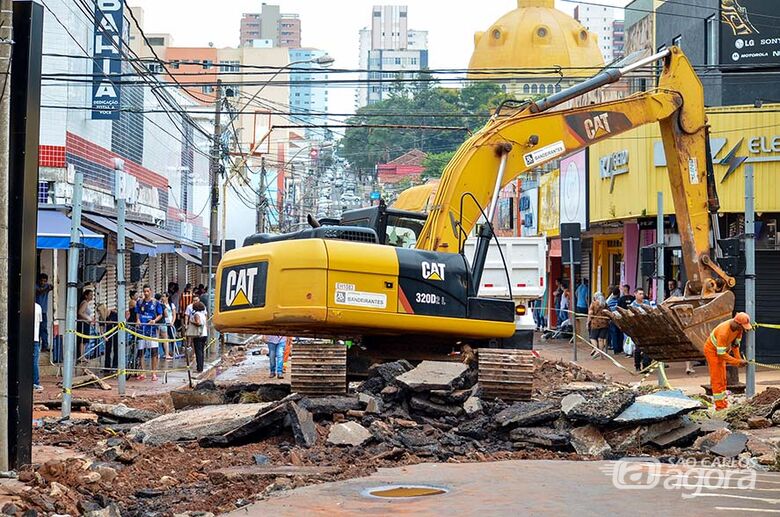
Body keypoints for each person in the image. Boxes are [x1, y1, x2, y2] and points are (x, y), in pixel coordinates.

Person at [705, 313, 750, 410]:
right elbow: (720, 353)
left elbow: (735, 346)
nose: (743, 329)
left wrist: (738, 360)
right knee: (717, 378)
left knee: (723, 377)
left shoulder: (738, 329)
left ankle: (723, 403)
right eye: (742, 327)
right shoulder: (723, 332)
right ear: (737, 323)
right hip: (712, 351)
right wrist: (737, 362)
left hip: (722, 350)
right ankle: (720, 407)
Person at [136, 285, 163, 381]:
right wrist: (138, 320)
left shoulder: (156, 303)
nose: (146, 293)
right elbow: (138, 313)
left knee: (154, 352)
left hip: (152, 331)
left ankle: (154, 373)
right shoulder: (139, 302)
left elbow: (160, 314)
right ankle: (143, 372)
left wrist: (154, 320)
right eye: (144, 291)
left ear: (151, 291)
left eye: (148, 291)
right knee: (141, 352)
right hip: (141, 330)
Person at [630, 289, 654, 371]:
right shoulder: (632, 305)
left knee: (648, 348)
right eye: (640, 294)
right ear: (635, 294)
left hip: (647, 328)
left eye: (642, 294)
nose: (642, 295)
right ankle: (637, 365)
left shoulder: (647, 302)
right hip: (638, 329)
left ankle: (646, 365)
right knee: (638, 349)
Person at [587, 292, 609, 359]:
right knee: (601, 339)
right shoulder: (605, 304)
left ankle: (596, 350)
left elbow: (590, 313)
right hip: (604, 323)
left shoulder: (593, 303)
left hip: (595, 323)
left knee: (592, 338)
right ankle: (602, 355)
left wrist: (588, 322)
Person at [35, 273, 53, 350]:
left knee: (43, 328)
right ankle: (38, 345)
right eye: (42, 281)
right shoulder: (36, 286)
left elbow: (52, 286)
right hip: (35, 311)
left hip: (43, 311)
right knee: (37, 329)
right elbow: (39, 291)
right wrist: (47, 288)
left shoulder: (47, 286)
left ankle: (45, 345)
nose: (43, 283)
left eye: (45, 281)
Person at [77, 289, 96, 361]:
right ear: (86, 296)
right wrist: (88, 318)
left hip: (86, 323)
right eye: (90, 295)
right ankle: (82, 356)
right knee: (83, 341)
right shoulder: (84, 303)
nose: (92, 296)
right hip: (83, 323)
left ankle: (83, 355)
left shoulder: (87, 303)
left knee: (85, 341)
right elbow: (80, 312)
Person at [190, 301, 208, 373]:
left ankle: (199, 368)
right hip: (204, 334)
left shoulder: (196, 314)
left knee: (198, 352)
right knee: (201, 352)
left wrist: (192, 322)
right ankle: (201, 367)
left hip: (198, 335)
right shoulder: (203, 314)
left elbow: (198, 323)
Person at [99, 304, 119, 371]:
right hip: (108, 333)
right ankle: (107, 367)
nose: (99, 314)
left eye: (99, 312)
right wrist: (104, 336)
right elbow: (101, 329)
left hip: (116, 332)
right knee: (107, 350)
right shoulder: (101, 317)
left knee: (116, 349)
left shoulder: (114, 314)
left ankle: (115, 366)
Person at [606, 286, 623, 354]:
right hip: (620, 319)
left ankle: (615, 349)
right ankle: (619, 348)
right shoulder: (620, 300)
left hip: (612, 319)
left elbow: (608, 309)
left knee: (614, 334)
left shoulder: (610, 301)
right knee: (620, 334)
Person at [160, 293, 177, 360]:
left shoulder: (171, 305)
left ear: (167, 297)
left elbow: (174, 314)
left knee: (172, 337)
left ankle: (173, 351)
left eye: (164, 296)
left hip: (170, 323)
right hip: (164, 323)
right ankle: (165, 352)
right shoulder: (161, 305)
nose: (162, 298)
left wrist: (172, 322)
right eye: (162, 296)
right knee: (164, 338)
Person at [33, 302, 43, 391]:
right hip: (35, 338)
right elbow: (40, 322)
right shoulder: (38, 307)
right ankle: (35, 382)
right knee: (34, 361)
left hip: (25, 337)